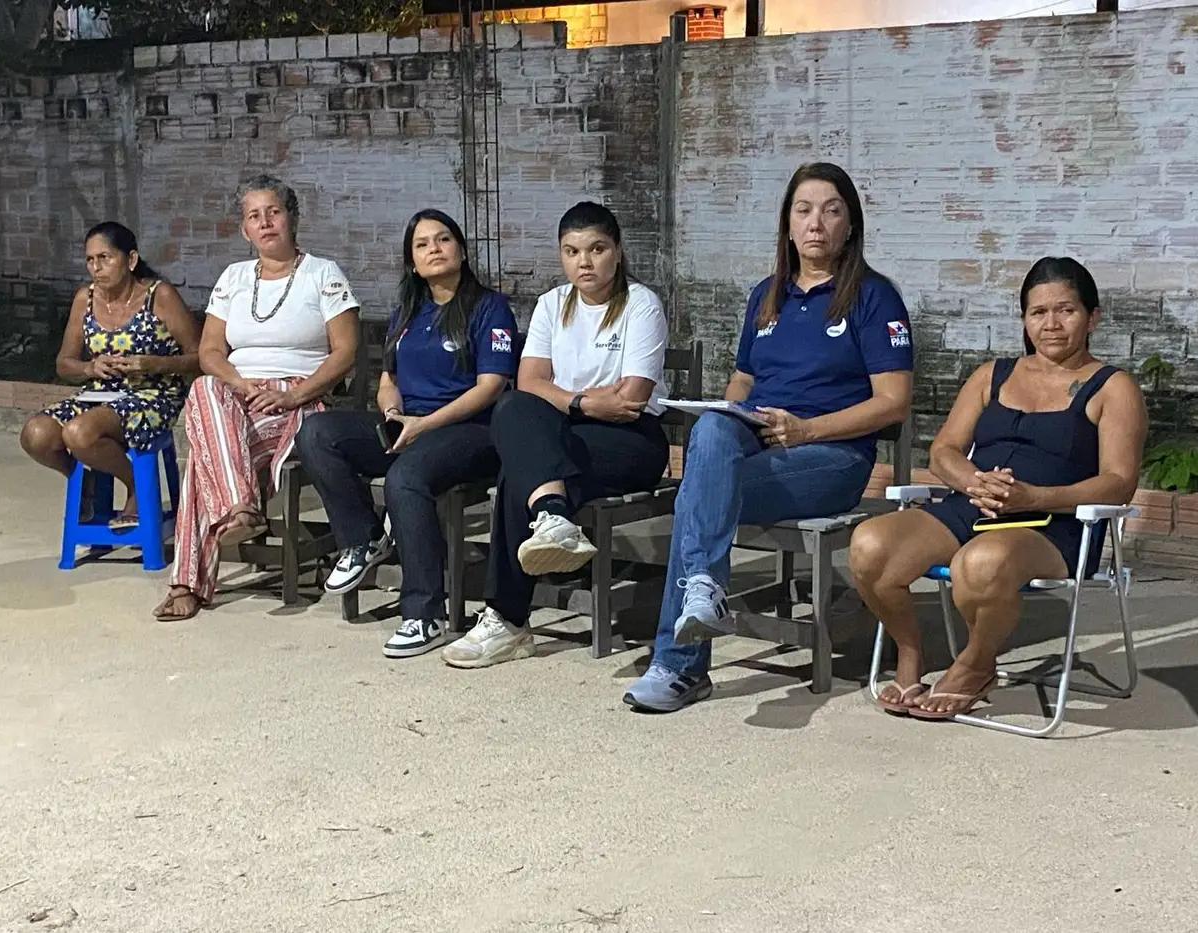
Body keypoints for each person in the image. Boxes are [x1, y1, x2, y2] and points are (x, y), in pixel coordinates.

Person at [621, 161, 915, 713]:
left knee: (695, 497)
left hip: (831, 457)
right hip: (759, 441)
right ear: (787, 224)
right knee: (712, 428)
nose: (816, 223)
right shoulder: (766, 295)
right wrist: (730, 413)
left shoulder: (874, 297)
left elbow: (893, 401)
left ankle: (679, 666)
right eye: (803, 211)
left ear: (850, 223)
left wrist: (808, 429)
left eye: (831, 211)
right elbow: (743, 382)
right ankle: (702, 597)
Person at [847, 257, 1148, 719]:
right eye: (1038, 312)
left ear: (1092, 318)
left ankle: (975, 664)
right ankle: (910, 651)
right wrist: (973, 481)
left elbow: (1119, 483)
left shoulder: (1112, 387)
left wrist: (1034, 496)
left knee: (981, 561)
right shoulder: (993, 375)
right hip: (971, 505)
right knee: (870, 544)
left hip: (1053, 524)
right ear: (1024, 319)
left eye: (1066, 310)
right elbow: (944, 451)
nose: (1051, 324)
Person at [438, 201, 670, 669]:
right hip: (566, 431)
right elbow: (528, 384)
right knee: (512, 409)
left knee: (520, 468)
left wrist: (564, 397)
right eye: (572, 251)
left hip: (631, 440)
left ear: (617, 250)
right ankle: (552, 518)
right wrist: (585, 402)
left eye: (597, 249)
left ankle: (508, 620)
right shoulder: (552, 303)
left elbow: (630, 398)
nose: (584, 262)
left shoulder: (641, 304)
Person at [294, 210, 517, 658]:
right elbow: (387, 381)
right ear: (412, 263)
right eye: (422, 244)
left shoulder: (489, 307)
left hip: (471, 431)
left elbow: (491, 387)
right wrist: (394, 413)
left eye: (443, 239)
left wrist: (424, 425)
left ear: (462, 250)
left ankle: (424, 614)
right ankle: (364, 539)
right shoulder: (407, 312)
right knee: (317, 432)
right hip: (410, 426)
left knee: (405, 477)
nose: (434, 248)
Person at [154, 174, 360, 621]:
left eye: (273, 212)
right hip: (237, 394)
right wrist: (240, 384)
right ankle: (241, 502)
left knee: (203, 461)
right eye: (254, 216)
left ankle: (187, 582)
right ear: (244, 230)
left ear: (292, 218)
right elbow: (209, 352)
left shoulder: (322, 274)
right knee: (205, 386)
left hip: (298, 396)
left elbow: (345, 351)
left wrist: (295, 394)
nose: (265, 222)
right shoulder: (233, 278)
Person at [21, 222, 200, 528]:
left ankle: (136, 486)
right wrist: (90, 368)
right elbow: (64, 363)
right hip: (100, 394)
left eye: (104, 258)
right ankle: (87, 481)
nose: (96, 267)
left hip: (153, 396)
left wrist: (154, 364)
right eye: (90, 260)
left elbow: (200, 358)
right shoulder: (86, 298)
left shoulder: (159, 295)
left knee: (79, 433)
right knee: (36, 434)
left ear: (130, 260)